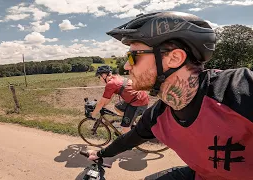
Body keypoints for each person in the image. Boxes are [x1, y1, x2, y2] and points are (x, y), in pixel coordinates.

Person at [86, 11, 253, 180]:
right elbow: (128, 140)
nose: (126, 66)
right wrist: (101, 153)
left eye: (133, 56)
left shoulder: (240, 89)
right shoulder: (157, 116)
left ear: (175, 58)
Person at [91, 65, 149, 134]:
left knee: (125, 128)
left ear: (104, 75)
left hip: (138, 102)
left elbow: (101, 102)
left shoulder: (110, 84)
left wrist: (93, 114)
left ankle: (130, 141)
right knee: (117, 107)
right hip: (139, 98)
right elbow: (110, 97)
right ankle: (131, 122)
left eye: (99, 76)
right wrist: (102, 106)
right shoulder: (116, 78)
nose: (99, 78)